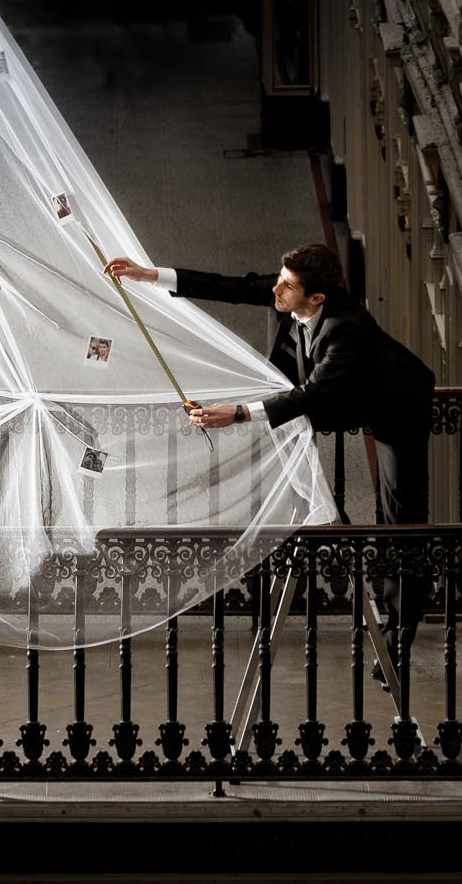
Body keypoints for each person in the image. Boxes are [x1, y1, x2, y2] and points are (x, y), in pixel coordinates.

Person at [104, 240, 435, 644]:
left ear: (315, 297)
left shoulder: (346, 326)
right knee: (384, 519)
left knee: (401, 516)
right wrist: (149, 274)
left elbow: (311, 395)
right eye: (278, 280)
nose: (275, 290)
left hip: (396, 404)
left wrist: (239, 413)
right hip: (350, 398)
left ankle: (400, 632)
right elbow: (229, 286)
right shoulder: (289, 293)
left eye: (286, 286)